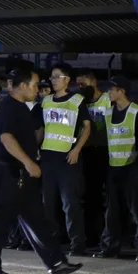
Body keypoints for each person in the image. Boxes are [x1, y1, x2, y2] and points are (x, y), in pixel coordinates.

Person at [0, 68, 83, 274]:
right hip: (9, 172)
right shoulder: (8, 107)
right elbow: (6, 139)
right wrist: (28, 163)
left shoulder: (22, 108)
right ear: (24, 85)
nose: (38, 90)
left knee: (36, 219)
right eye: (35, 85)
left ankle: (55, 262)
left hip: (22, 174)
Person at [40, 63, 91, 255]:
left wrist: (77, 149)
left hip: (67, 159)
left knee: (70, 204)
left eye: (57, 76)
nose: (53, 80)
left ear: (67, 79)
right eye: (52, 77)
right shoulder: (46, 101)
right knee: (48, 202)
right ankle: (52, 241)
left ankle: (77, 244)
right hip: (48, 157)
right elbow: (42, 128)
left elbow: (87, 127)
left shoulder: (77, 100)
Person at [94, 75, 138, 262]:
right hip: (114, 168)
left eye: (112, 89)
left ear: (122, 91)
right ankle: (110, 247)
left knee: (136, 210)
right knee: (112, 210)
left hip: (132, 168)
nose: (108, 92)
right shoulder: (109, 113)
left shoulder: (136, 112)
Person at [76, 68, 111, 247]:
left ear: (94, 82)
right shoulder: (81, 102)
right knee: (91, 196)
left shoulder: (107, 100)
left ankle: (111, 236)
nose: (81, 87)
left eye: (84, 83)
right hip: (88, 152)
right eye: (79, 85)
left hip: (106, 151)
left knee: (110, 197)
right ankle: (92, 236)